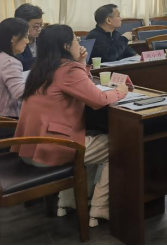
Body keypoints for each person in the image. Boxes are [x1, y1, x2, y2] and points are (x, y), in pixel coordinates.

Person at [12, 25, 127, 227]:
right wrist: (120, 91)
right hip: (51, 150)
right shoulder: (68, 70)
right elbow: (99, 99)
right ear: (66, 46)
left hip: (29, 148)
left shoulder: (41, 68)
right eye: (75, 40)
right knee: (119, 147)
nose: (79, 44)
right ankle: (100, 207)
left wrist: (80, 62)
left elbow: (82, 88)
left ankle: (68, 201)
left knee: (93, 138)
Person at [0, 18, 29, 117]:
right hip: (7, 119)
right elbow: (21, 93)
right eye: (25, 36)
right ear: (13, 38)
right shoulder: (10, 62)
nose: (27, 41)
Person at [14, 3, 43, 70]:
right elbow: (21, 64)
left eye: (41, 25)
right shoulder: (14, 41)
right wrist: (45, 59)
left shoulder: (44, 37)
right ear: (21, 24)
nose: (39, 29)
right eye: (36, 26)